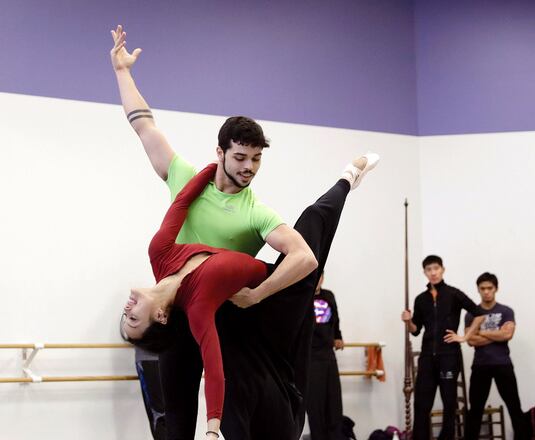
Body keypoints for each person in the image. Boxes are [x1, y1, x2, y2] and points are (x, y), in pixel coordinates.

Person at [110, 25, 378, 439]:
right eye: (240, 157)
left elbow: (304, 257)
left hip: (228, 312)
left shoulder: (255, 212)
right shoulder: (185, 179)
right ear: (220, 152)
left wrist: (258, 295)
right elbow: (144, 126)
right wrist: (122, 71)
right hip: (178, 313)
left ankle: (345, 181)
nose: (248, 167)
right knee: (176, 417)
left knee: (311, 223)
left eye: (255, 159)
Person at [123, 155, 376, 438]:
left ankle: (347, 178)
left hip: (273, 290)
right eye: (133, 319)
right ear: (160, 316)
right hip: (248, 306)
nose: (127, 308)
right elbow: (215, 373)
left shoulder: (159, 254)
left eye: (125, 315)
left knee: (312, 219)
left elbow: (182, 201)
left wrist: (217, 165)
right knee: (230, 398)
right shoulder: (197, 307)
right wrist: (211, 430)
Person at [401, 255, 484, 440]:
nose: (433, 273)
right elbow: (415, 330)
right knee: (421, 404)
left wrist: (464, 337)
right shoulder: (421, 299)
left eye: (436, 268)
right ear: (425, 273)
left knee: (449, 403)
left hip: (449, 356)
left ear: (442, 270)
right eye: (429, 269)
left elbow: (479, 314)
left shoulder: (454, 294)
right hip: (427, 357)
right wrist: (408, 321)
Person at [462, 272, 525, 440]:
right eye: (482, 288)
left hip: (503, 364)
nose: (486, 292)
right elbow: (470, 341)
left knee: (514, 406)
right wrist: (497, 334)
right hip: (480, 365)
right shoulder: (471, 314)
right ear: (478, 290)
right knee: (475, 409)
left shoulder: (506, 311)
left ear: (496, 288)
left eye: (489, 288)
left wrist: (480, 332)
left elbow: (507, 335)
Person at [307, 272, 346, 440]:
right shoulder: (303, 297)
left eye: (319, 276)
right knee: (315, 406)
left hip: (328, 355)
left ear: (322, 278)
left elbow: (335, 320)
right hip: (311, 358)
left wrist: (338, 337)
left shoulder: (329, 296)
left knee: (334, 403)